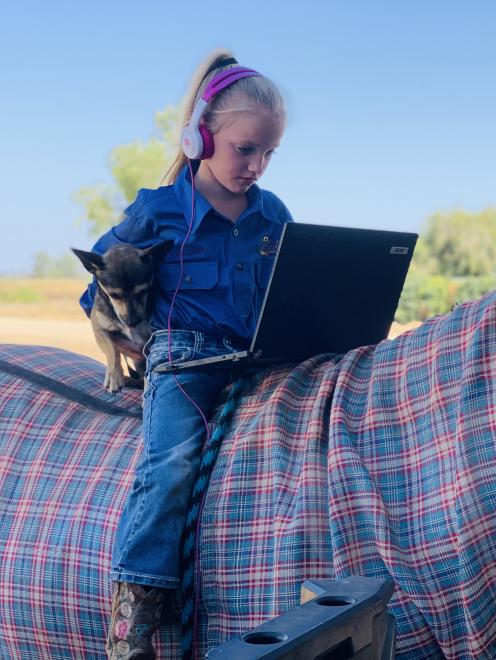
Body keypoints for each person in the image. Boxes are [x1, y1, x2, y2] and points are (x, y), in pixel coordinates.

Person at [79, 50, 292, 659]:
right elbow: (99, 287)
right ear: (202, 138)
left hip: (259, 354)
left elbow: (294, 283)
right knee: (170, 463)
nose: (256, 166)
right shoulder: (157, 212)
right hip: (185, 357)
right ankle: (137, 607)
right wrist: (125, 346)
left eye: (269, 153)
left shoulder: (272, 214)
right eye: (245, 149)